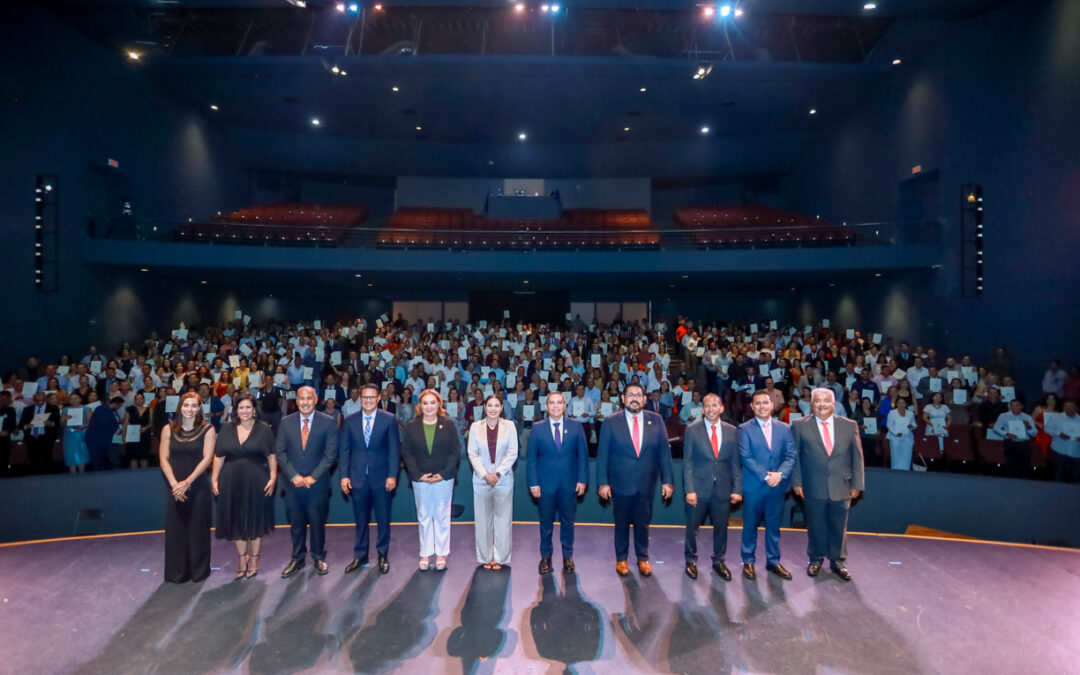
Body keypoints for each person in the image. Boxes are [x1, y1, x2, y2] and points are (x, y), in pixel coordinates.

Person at [596, 382, 674, 577]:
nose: (634, 399)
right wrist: (603, 483)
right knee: (621, 522)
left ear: (645, 399)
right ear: (623, 399)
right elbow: (603, 456)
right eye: (630, 395)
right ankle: (621, 558)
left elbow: (664, 453)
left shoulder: (656, 420)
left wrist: (668, 481)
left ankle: (642, 558)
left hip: (646, 483)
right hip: (620, 484)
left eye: (638, 395)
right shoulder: (611, 422)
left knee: (643, 523)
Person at [791, 387, 865, 581]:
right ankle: (815, 559)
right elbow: (794, 457)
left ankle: (838, 561)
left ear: (834, 404)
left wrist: (857, 484)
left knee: (839, 526)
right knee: (815, 524)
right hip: (812, 485)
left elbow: (857, 457)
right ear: (812, 404)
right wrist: (796, 482)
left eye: (826, 400)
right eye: (817, 401)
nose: (822, 404)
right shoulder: (799, 425)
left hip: (842, 485)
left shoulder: (849, 425)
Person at [211, 392, 277, 579]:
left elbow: (271, 455)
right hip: (231, 481)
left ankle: (255, 558)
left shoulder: (264, 429)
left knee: (255, 521)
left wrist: (273, 477)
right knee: (237, 522)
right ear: (236, 410)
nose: (245, 411)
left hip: (257, 481)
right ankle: (242, 559)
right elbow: (219, 456)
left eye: (248, 407)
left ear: (254, 409)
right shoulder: (227, 428)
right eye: (241, 407)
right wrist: (214, 479)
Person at [275, 385, 339, 578]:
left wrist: (313, 477)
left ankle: (318, 556)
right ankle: (298, 558)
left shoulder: (328, 422)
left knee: (318, 523)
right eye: (301, 399)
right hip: (292, 484)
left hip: (317, 484)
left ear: (316, 400)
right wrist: (294, 476)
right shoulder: (285, 422)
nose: (305, 402)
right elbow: (280, 452)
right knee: (296, 524)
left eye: (309, 398)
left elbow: (330, 454)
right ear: (296, 401)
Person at [339, 383, 400, 575]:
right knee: (360, 520)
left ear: (378, 398)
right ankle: (360, 556)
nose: (368, 401)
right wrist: (344, 476)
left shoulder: (389, 419)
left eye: (372, 397)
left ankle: (382, 555)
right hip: (357, 479)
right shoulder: (350, 420)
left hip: (382, 479)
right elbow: (344, 451)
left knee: (383, 519)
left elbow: (394, 450)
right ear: (360, 398)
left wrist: (392, 475)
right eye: (365, 397)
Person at [738, 389, 797, 581]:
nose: (762, 406)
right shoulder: (744, 428)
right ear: (752, 406)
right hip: (754, 486)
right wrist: (766, 476)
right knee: (750, 525)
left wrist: (780, 474)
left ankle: (773, 561)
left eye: (765, 403)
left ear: (772, 405)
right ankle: (748, 561)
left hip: (777, 486)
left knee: (774, 526)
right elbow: (746, 457)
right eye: (758, 403)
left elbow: (791, 456)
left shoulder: (785, 428)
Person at [527, 391, 588, 575]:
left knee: (568, 522)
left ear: (564, 405)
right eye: (552, 403)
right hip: (545, 486)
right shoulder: (537, 428)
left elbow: (583, 457)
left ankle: (568, 557)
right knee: (545, 523)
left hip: (569, 485)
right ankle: (545, 557)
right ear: (546, 406)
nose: (555, 406)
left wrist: (582, 480)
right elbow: (532, 460)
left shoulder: (576, 426)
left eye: (559, 402)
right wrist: (533, 483)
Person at [682, 393, 742, 581]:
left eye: (714, 405)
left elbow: (735, 463)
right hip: (698, 490)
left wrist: (737, 489)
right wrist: (689, 489)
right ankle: (690, 560)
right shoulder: (692, 430)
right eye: (707, 405)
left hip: (723, 489)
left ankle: (719, 561)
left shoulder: (732, 431)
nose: (710, 409)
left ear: (721, 408)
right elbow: (688, 463)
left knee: (721, 528)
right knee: (692, 528)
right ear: (703, 409)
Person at [400, 389, 461, 571]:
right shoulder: (411, 426)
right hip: (420, 479)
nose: (429, 406)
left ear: (439, 404)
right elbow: (406, 452)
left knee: (442, 515)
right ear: (420, 405)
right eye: (425, 403)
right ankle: (425, 553)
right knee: (424, 515)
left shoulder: (448, 424)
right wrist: (418, 475)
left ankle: (441, 553)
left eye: (432, 403)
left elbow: (455, 451)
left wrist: (443, 473)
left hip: (444, 478)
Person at [159, 392, 216, 583]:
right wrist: (175, 484)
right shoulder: (168, 429)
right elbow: (163, 459)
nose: (189, 409)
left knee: (198, 530)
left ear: (199, 408)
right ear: (180, 407)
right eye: (186, 405)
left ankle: (199, 572)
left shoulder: (208, 429)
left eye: (193, 406)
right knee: (176, 531)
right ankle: (177, 573)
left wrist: (188, 482)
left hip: (197, 486)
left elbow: (207, 459)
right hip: (174, 487)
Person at [467, 394, 519, 570]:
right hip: (481, 480)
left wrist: (497, 474)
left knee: (503, 519)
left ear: (502, 408)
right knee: (483, 520)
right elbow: (472, 453)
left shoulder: (510, 426)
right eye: (490, 405)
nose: (493, 409)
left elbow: (512, 452)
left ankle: (500, 557)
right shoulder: (475, 427)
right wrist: (485, 474)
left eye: (497, 405)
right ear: (484, 407)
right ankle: (486, 556)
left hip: (503, 479)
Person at [992, 399, 1036, 478]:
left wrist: (1028, 426)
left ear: (1021, 406)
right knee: (1011, 465)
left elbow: (1034, 433)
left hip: (1024, 443)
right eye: (1012, 405)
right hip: (1010, 443)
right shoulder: (1003, 416)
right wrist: (1007, 434)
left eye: (1017, 405)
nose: (1014, 407)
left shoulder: (1027, 417)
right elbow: (996, 429)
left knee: (1025, 466)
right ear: (1010, 407)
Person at [19, 391, 60, 473]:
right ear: (34, 400)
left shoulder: (53, 408)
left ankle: (48, 476)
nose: (40, 402)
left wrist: (50, 423)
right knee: (33, 459)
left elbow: (58, 423)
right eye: (38, 400)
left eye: (42, 400)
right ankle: (35, 476)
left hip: (46, 436)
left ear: (45, 399)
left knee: (47, 459)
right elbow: (21, 425)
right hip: (31, 437)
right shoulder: (27, 409)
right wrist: (27, 426)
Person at [86, 395, 126, 471]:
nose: (119, 407)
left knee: (110, 459)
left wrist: (117, 427)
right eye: (120, 406)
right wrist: (117, 428)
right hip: (96, 439)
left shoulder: (111, 411)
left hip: (106, 439)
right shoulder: (101, 409)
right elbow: (105, 423)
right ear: (117, 403)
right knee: (97, 461)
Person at [1045, 399, 1080, 482]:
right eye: (1066, 407)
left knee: (1076, 478)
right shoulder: (1055, 417)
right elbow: (1047, 429)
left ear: (1076, 408)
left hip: (1076, 452)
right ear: (1063, 408)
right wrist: (1059, 434)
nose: (1068, 408)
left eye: (1071, 407)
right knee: (1058, 476)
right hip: (1059, 451)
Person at [61, 392, 90, 473]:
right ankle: (72, 473)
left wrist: (83, 426)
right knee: (70, 452)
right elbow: (61, 424)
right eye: (71, 399)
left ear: (80, 399)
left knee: (81, 452)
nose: (73, 400)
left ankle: (82, 473)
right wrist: (65, 420)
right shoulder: (65, 409)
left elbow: (91, 421)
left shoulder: (86, 408)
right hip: (69, 433)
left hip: (81, 432)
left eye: (76, 398)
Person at [885, 397, 917, 470]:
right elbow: (889, 425)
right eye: (899, 403)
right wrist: (896, 433)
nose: (901, 404)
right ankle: (895, 470)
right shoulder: (892, 413)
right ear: (896, 404)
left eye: (903, 403)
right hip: (895, 436)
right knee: (896, 455)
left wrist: (911, 426)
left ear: (905, 404)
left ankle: (906, 470)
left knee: (907, 454)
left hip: (907, 436)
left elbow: (914, 424)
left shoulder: (910, 413)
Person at [125, 393, 153, 468]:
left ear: (144, 400)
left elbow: (152, 422)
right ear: (134, 400)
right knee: (133, 456)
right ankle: (133, 474)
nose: (139, 400)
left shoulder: (149, 409)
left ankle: (144, 474)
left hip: (145, 435)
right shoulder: (130, 409)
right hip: (132, 435)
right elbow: (125, 423)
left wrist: (146, 428)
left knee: (144, 456)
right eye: (137, 399)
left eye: (141, 398)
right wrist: (124, 436)